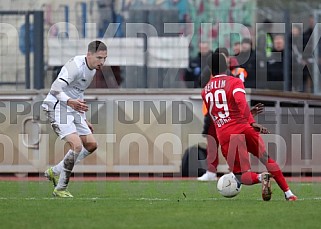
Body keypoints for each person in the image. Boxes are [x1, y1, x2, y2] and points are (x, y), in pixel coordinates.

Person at [201, 52, 297, 201]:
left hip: (226, 134)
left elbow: (217, 114)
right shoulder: (234, 82)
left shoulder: (205, 90)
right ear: (225, 66)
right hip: (245, 127)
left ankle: (261, 178)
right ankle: (289, 194)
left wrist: (246, 117)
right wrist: (251, 121)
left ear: (210, 69)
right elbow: (240, 102)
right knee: (266, 159)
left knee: (241, 176)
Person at [43, 40, 108, 197]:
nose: (102, 62)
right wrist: (70, 102)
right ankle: (60, 188)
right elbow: (54, 88)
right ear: (89, 55)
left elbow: (78, 93)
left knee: (91, 144)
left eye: (105, 58)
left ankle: (55, 171)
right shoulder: (75, 66)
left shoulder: (92, 69)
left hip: (72, 108)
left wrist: (83, 118)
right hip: (57, 106)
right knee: (77, 146)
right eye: (99, 58)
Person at [198, 48, 263, 181]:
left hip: (229, 113)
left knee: (235, 140)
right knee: (212, 140)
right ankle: (211, 171)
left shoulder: (234, 72)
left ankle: (237, 170)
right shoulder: (210, 71)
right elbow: (201, 83)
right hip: (213, 112)